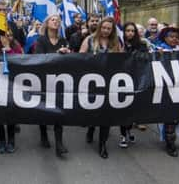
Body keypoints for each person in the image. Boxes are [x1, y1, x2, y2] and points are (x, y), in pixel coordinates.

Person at [80, 17, 122, 159]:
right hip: (92, 82)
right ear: (99, 27)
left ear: (112, 30)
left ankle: (102, 144)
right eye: (103, 28)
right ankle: (91, 128)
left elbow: (122, 61)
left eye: (109, 29)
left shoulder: (116, 43)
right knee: (93, 110)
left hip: (110, 83)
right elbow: (79, 58)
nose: (105, 31)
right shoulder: (89, 40)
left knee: (106, 115)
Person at [34, 14, 70, 157]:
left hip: (59, 80)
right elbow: (39, 59)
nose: (56, 22)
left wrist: (68, 53)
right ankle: (43, 133)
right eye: (53, 20)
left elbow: (68, 61)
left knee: (59, 110)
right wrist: (56, 53)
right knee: (44, 109)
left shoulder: (63, 40)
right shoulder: (41, 40)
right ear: (47, 23)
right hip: (44, 80)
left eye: (58, 20)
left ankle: (59, 143)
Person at [0, 31, 23, 153]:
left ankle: (11, 141)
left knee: (10, 114)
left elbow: (23, 62)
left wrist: (9, 50)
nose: (7, 38)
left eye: (10, 35)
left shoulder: (16, 47)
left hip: (12, 85)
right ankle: (1, 141)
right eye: (4, 35)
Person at [155, 25, 179, 157]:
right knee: (169, 116)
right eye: (171, 36)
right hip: (164, 88)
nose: (174, 39)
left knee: (178, 115)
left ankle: (171, 140)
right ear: (165, 38)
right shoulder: (159, 49)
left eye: (176, 37)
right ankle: (170, 143)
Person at [117, 22, 147, 149]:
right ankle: (123, 134)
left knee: (133, 107)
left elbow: (145, 59)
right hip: (121, 79)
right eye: (127, 30)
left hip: (136, 79)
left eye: (132, 31)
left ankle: (129, 130)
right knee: (124, 107)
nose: (130, 33)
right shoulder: (119, 44)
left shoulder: (141, 45)